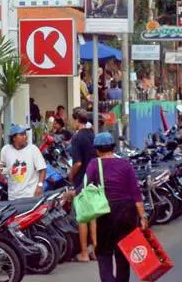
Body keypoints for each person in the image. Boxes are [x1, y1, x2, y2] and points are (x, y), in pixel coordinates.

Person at [85, 132, 148, 282]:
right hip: (127, 212)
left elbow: (86, 188)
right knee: (124, 254)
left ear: (97, 150)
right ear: (113, 147)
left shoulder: (94, 164)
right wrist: (143, 216)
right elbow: (135, 193)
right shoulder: (125, 164)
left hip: (105, 212)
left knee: (104, 254)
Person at [70, 107, 97, 262]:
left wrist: (71, 174)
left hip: (82, 181)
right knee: (93, 217)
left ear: (76, 120)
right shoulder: (92, 134)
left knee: (82, 218)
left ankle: (84, 253)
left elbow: (78, 163)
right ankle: (94, 250)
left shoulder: (77, 137)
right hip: (94, 179)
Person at [0, 125, 47, 200]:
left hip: (31, 195)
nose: (25, 136)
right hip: (13, 196)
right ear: (14, 138)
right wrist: (1, 172)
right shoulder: (5, 150)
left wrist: (40, 186)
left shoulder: (33, 149)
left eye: (25, 134)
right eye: (21, 134)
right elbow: (2, 165)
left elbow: (42, 169)